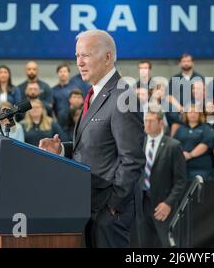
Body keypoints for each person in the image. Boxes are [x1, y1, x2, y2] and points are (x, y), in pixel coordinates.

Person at [39, 29, 145, 248]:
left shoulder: (123, 97)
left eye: (85, 55)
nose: (79, 62)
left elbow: (132, 160)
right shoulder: (95, 93)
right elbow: (96, 147)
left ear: (108, 57)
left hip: (109, 213)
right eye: (77, 56)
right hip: (89, 205)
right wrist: (60, 150)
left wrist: (113, 206)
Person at [137, 111, 186, 248]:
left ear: (160, 123)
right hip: (142, 203)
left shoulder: (173, 146)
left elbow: (180, 181)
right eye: (146, 120)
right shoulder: (139, 143)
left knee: (167, 244)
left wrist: (169, 203)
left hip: (163, 205)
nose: (147, 124)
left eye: (151, 121)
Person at [172, 104, 214, 180]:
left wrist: (190, 155)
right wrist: (182, 154)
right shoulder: (180, 128)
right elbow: (175, 144)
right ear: (186, 114)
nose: (193, 114)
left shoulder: (206, 128)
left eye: (195, 112)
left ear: (200, 115)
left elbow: (205, 144)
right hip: (183, 166)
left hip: (201, 167)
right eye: (190, 112)